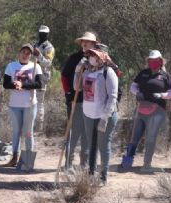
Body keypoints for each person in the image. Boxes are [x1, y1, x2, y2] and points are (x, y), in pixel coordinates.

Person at [121, 50, 171, 171]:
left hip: (157, 111)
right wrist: (137, 93)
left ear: (160, 61)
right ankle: (128, 160)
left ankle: (147, 164)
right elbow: (133, 86)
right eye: (150, 61)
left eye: (155, 60)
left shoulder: (165, 76)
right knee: (135, 135)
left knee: (151, 137)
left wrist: (162, 95)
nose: (152, 63)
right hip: (141, 108)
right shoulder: (143, 73)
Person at [74, 48, 118, 184]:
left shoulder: (108, 73)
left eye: (95, 55)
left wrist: (105, 117)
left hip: (104, 115)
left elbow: (112, 96)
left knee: (103, 145)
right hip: (88, 114)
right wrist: (77, 71)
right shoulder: (87, 72)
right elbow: (77, 88)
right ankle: (90, 173)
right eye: (91, 55)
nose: (92, 57)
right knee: (91, 144)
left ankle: (103, 176)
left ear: (102, 58)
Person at [61, 31, 99, 170]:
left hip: (92, 102)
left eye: (88, 42)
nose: (85, 43)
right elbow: (64, 76)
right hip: (75, 100)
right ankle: (68, 163)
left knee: (87, 133)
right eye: (83, 41)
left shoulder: (99, 58)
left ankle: (84, 164)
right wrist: (68, 93)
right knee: (73, 132)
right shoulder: (74, 58)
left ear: (94, 44)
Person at [2, 43, 43, 167]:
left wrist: (23, 85)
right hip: (15, 104)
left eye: (28, 53)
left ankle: (28, 159)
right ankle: (15, 157)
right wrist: (15, 85)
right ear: (19, 53)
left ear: (31, 55)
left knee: (28, 132)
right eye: (23, 52)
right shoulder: (11, 66)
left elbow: (39, 84)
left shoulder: (35, 66)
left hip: (30, 104)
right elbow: (5, 84)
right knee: (16, 132)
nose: (25, 55)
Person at [33, 25, 55, 132]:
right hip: (31, 76)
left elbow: (48, 63)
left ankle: (39, 128)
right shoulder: (35, 45)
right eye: (41, 33)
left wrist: (39, 55)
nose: (42, 35)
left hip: (42, 77)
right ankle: (31, 125)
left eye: (44, 33)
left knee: (39, 102)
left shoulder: (49, 48)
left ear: (47, 34)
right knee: (31, 101)